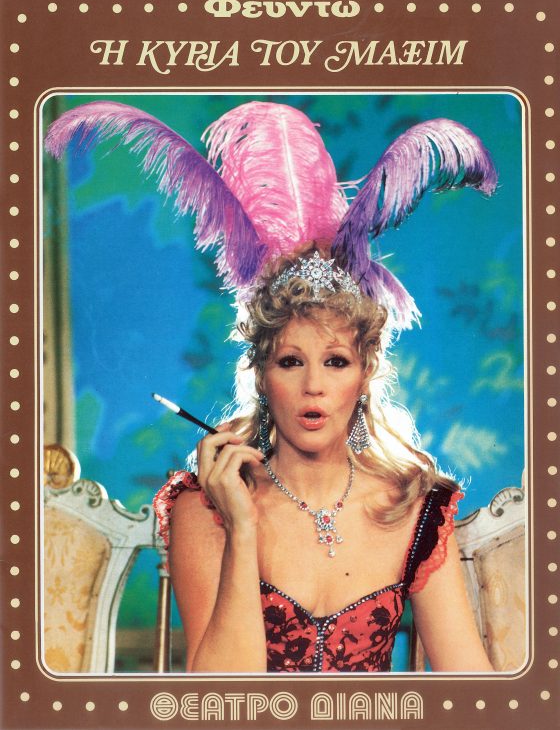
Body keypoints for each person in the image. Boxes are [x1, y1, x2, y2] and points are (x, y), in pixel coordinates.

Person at [45, 98, 498, 672]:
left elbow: (474, 692)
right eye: (290, 362)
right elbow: (217, 697)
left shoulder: (414, 506)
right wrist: (241, 527)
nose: (313, 386)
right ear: (261, 375)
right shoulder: (203, 508)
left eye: (336, 362)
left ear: (365, 375)